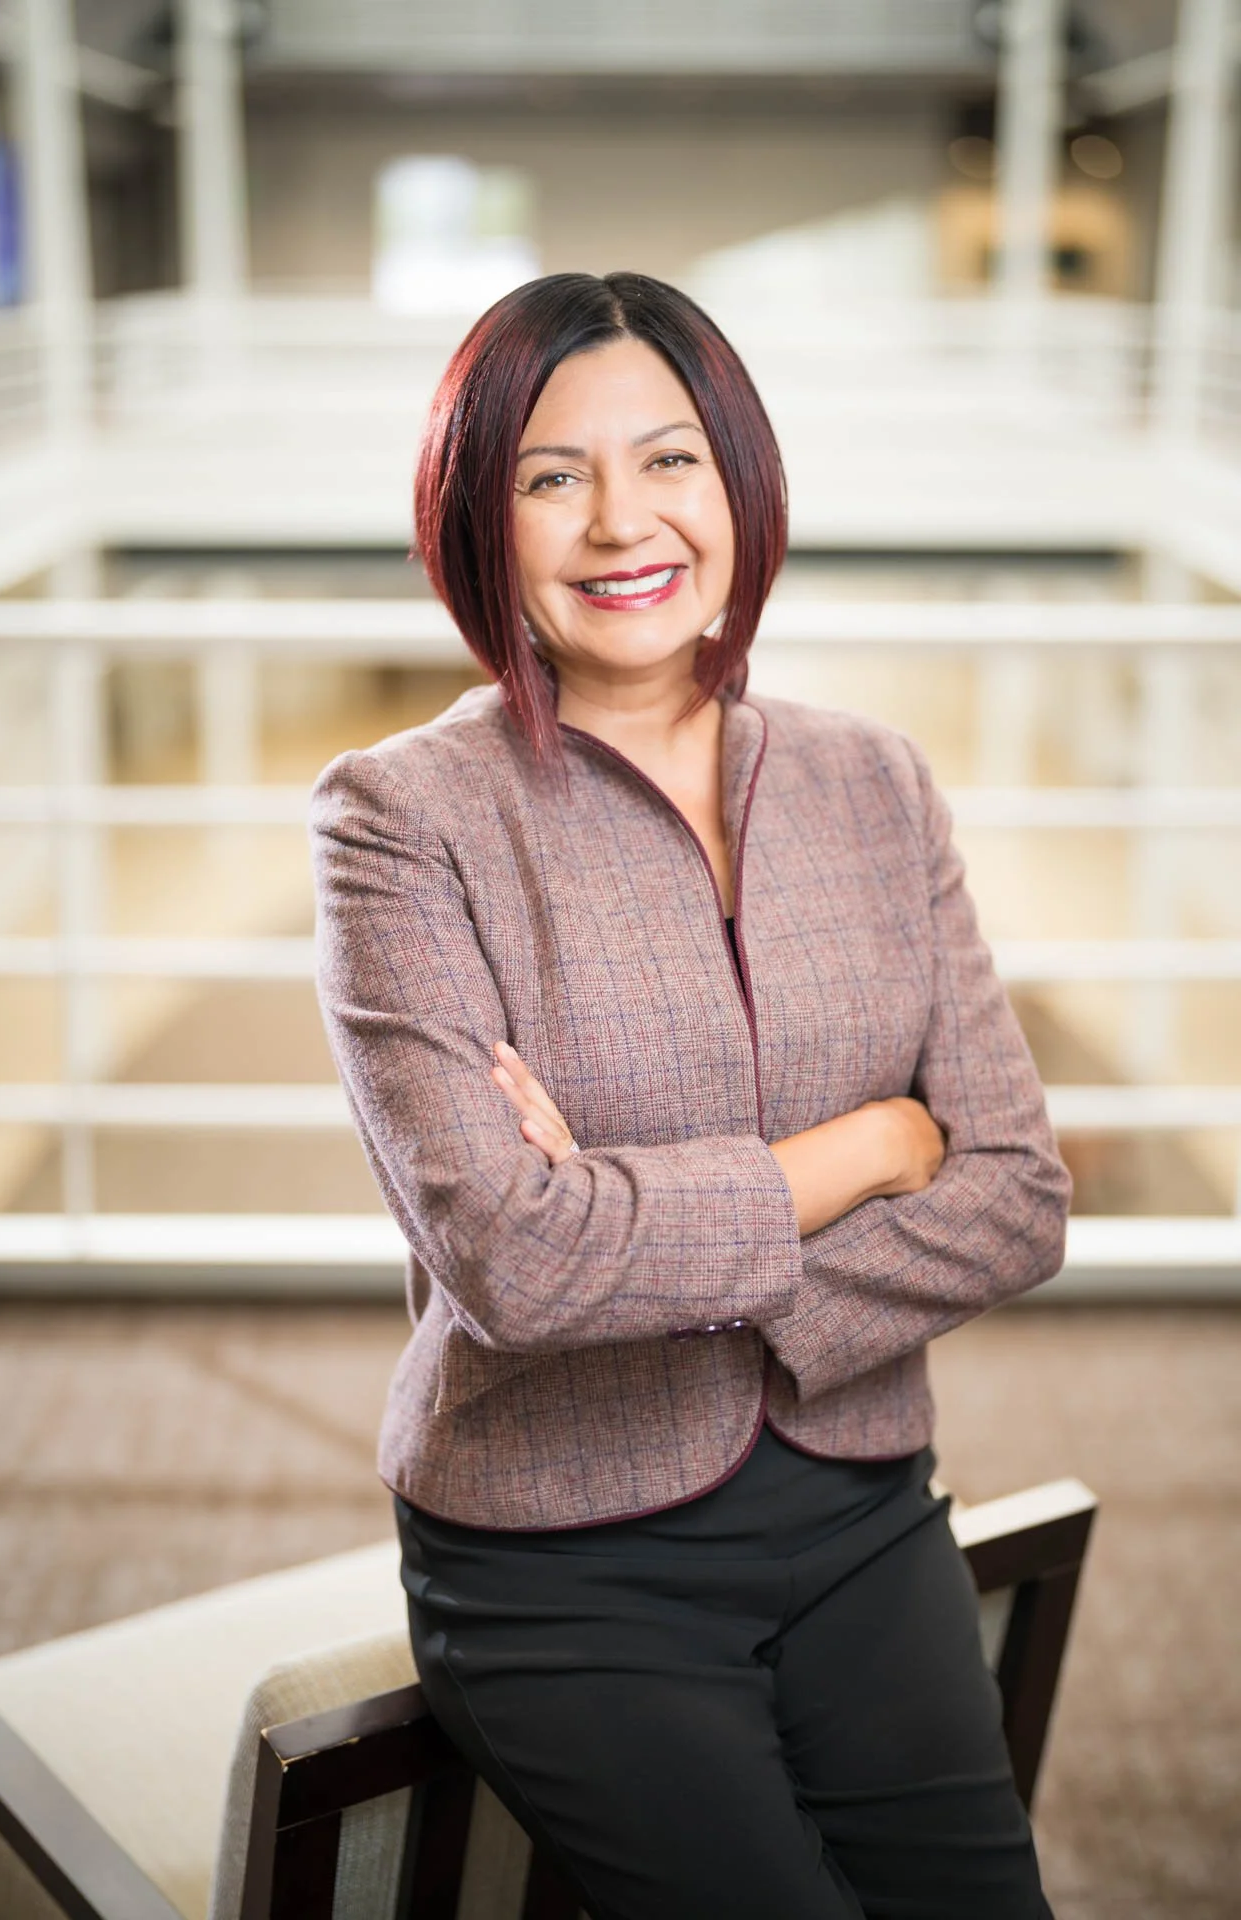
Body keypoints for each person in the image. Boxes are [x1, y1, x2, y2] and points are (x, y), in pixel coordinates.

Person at [309, 270, 1072, 1920]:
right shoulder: (403, 821)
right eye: (550, 475)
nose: (618, 523)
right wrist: (872, 1148)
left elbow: (1017, 1194)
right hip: (562, 1565)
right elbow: (515, 1266)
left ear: (737, 483)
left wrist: (635, 1229)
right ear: (480, 516)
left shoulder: (873, 782)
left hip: (868, 1503)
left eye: (668, 462)